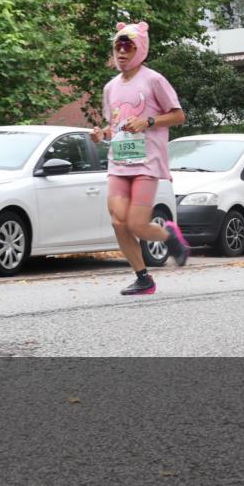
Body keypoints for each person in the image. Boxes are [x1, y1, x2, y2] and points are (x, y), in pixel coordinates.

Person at [90, 21, 190, 295]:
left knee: (136, 223)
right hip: (119, 161)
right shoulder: (110, 87)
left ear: (140, 49)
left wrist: (148, 121)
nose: (121, 52)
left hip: (146, 162)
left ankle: (170, 237)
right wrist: (102, 134)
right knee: (118, 221)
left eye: (128, 46)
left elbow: (179, 115)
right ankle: (143, 277)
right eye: (117, 46)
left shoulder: (154, 80)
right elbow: (116, 125)